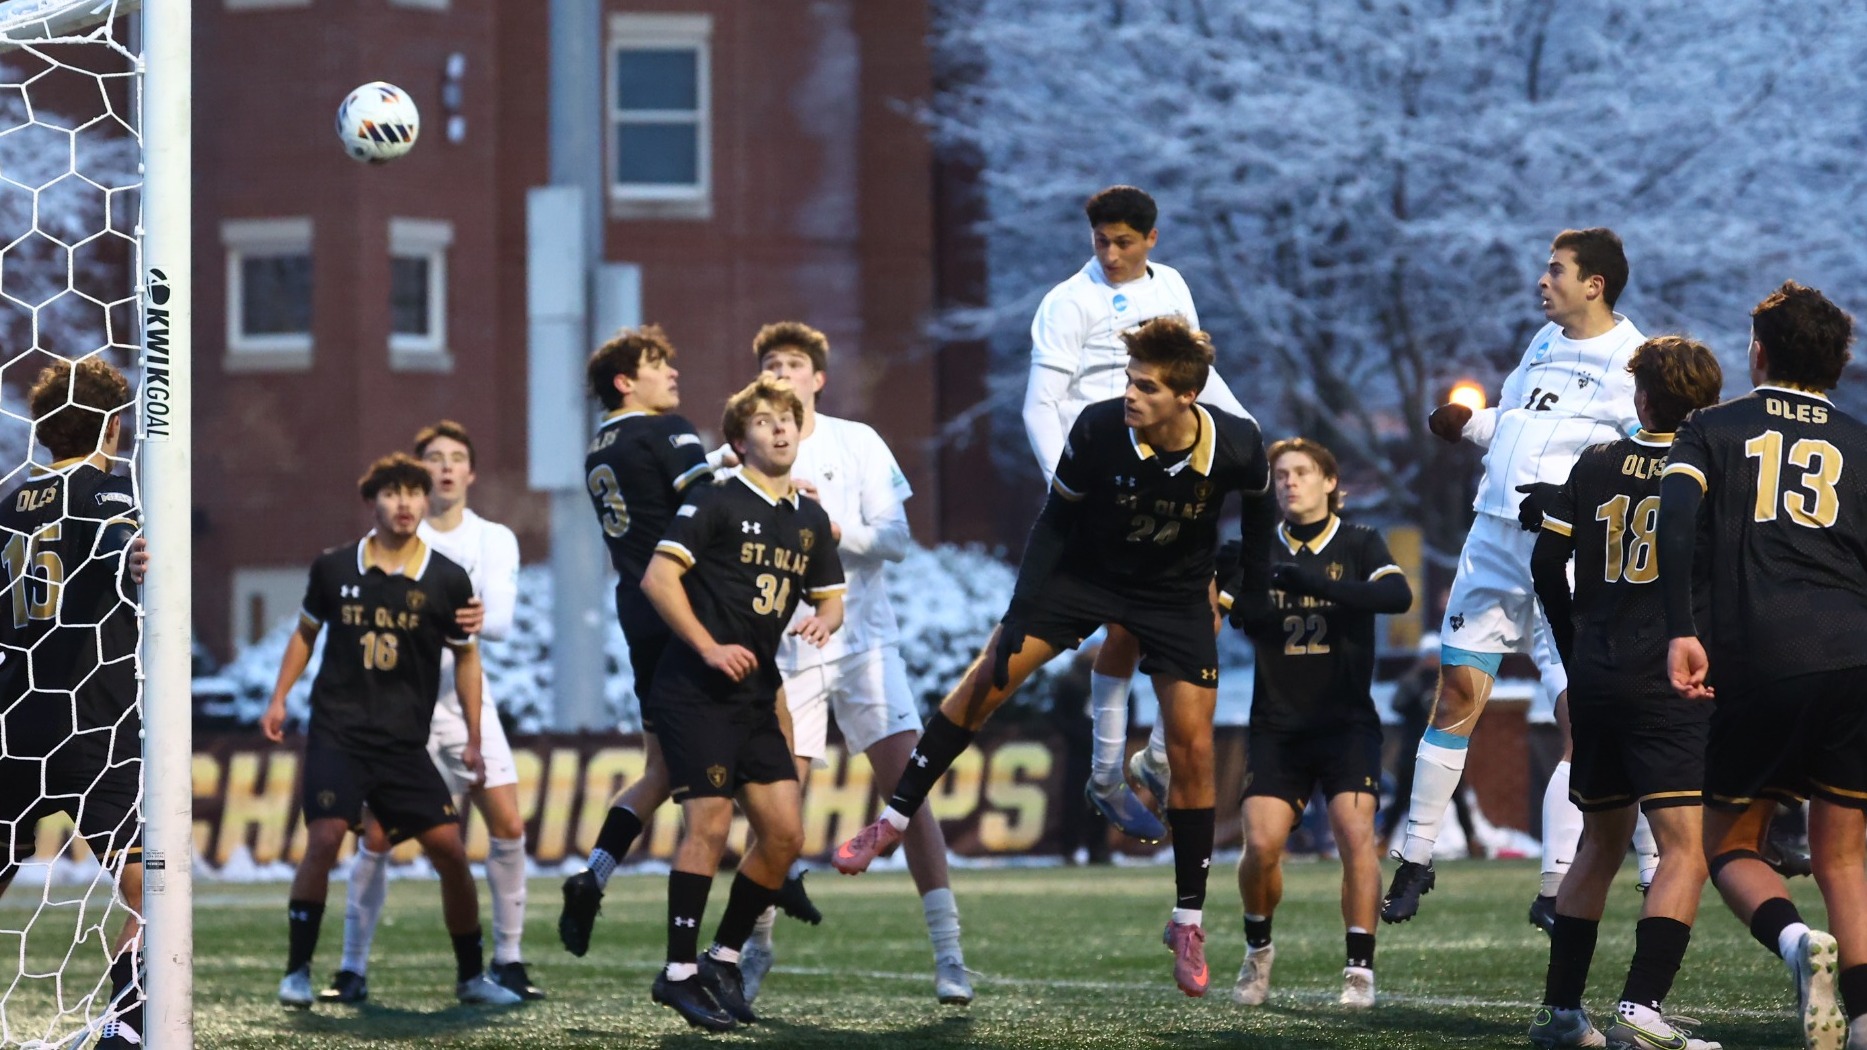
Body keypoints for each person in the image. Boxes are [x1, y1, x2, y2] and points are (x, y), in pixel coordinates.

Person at [836, 316, 1275, 999]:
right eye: (1129, 381)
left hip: (1171, 595)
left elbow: (1258, 512)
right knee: (988, 678)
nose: (1130, 395)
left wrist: (1243, 585)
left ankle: (1186, 919)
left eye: (1147, 387)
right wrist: (1017, 616)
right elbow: (1053, 524)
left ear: (1187, 398)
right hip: (1085, 577)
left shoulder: (1239, 445)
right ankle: (890, 821)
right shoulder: (1099, 429)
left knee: (1190, 751)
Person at [1386, 228, 1646, 925]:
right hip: (1491, 541)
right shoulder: (1542, 342)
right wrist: (1469, 424)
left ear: (1594, 284)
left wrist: (1574, 504)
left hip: (1564, 551)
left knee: (1580, 715)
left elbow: (1642, 455)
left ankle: (1559, 882)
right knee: (1454, 697)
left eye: (1554, 270)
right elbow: (1523, 425)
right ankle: (1415, 856)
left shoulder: (1631, 360)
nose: (1542, 279)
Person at [557, 325, 814, 957]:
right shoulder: (663, 431)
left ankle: (595, 871)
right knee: (768, 712)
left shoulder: (599, 446)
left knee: (660, 766)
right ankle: (782, 868)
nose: (672, 372)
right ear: (625, 381)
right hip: (686, 604)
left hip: (637, 609)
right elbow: (707, 503)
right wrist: (778, 496)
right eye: (657, 363)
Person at [1660, 282, 1867, 1050]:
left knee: (1729, 845)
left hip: (1760, 655)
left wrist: (1681, 628)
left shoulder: (1711, 428)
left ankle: (1793, 942)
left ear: (1758, 351)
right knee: (1842, 851)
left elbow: (1675, 517)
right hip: (1853, 654)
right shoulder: (1860, 439)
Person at [746, 321, 973, 1004]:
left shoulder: (857, 442)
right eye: (770, 365)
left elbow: (898, 540)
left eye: (794, 364)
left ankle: (949, 953)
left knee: (907, 794)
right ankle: (752, 945)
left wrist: (833, 530)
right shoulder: (741, 452)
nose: (783, 375)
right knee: (778, 808)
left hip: (865, 642)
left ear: (818, 378)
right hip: (787, 651)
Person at [1022, 184, 1256, 842]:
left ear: (1151, 239)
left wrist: (1247, 429)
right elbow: (1040, 406)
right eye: (1100, 240)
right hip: (1106, 486)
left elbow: (1196, 379)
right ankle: (1107, 770)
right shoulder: (1067, 304)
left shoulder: (1171, 287)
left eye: (1124, 241)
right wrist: (1063, 487)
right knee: (1127, 624)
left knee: (1197, 608)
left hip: (1168, 480)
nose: (1111, 252)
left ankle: (1148, 759)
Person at [262, 454, 520, 1008]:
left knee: (451, 851)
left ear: (425, 503)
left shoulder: (448, 579)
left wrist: (475, 737)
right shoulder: (333, 568)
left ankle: (472, 977)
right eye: (392, 492)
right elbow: (305, 635)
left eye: (413, 493)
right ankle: (298, 972)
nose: (404, 503)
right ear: (371, 499)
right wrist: (279, 697)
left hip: (404, 745)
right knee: (327, 838)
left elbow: (468, 660)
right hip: (338, 734)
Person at [1527, 336, 1725, 1050]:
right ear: (1706, 399)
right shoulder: (1707, 465)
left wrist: (1574, 644)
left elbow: (1546, 562)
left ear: (1642, 394)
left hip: (1598, 675)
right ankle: (1640, 1012)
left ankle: (1559, 1014)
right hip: (1666, 675)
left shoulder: (1595, 462)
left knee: (1598, 844)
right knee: (1682, 848)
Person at [638, 374, 845, 1031]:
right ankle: (677, 974)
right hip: (694, 687)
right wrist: (705, 647)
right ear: (738, 439)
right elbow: (657, 577)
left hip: (755, 691)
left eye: (787, 418)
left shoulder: (809, 518)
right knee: (708, 826)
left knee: (784, 835)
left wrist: (826, 619)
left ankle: (723, 956)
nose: (780, 427)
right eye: (763, 421)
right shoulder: (715, 500)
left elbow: (830, 595)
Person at [325, 420, 539, 1003]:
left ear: (470, 471)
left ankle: (511, 960)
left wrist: (441, 614)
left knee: (509, 825)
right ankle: (351, 969)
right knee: (375, 835)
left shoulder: (491, 538)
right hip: (397, 711)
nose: (445, 468)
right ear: (415, 478)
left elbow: (494, 621)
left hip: (466, 700)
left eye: (456, 458)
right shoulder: (389, 542)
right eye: (433, 460)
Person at [1226, 439, 1412, 1010]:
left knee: (1356, 837)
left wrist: (1317, 586)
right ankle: (1258, 949)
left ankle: (1359, 970)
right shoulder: (1254, 549)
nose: (1289, 482)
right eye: (1281, 474)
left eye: (1302, 472)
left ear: (1330, 482)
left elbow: (1396, 595)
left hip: (1346, 722)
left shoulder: (1357, 542)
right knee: (1260, 846)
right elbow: (1239, 616)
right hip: (1277, 724)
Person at [0, 358, 149, 1048]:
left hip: (15, 717)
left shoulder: (6, 509)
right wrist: (138, 559)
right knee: (152, 881)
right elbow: (125, 548)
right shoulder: (108, 493)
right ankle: (128, 1021)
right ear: (112, 428)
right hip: (96, 717)